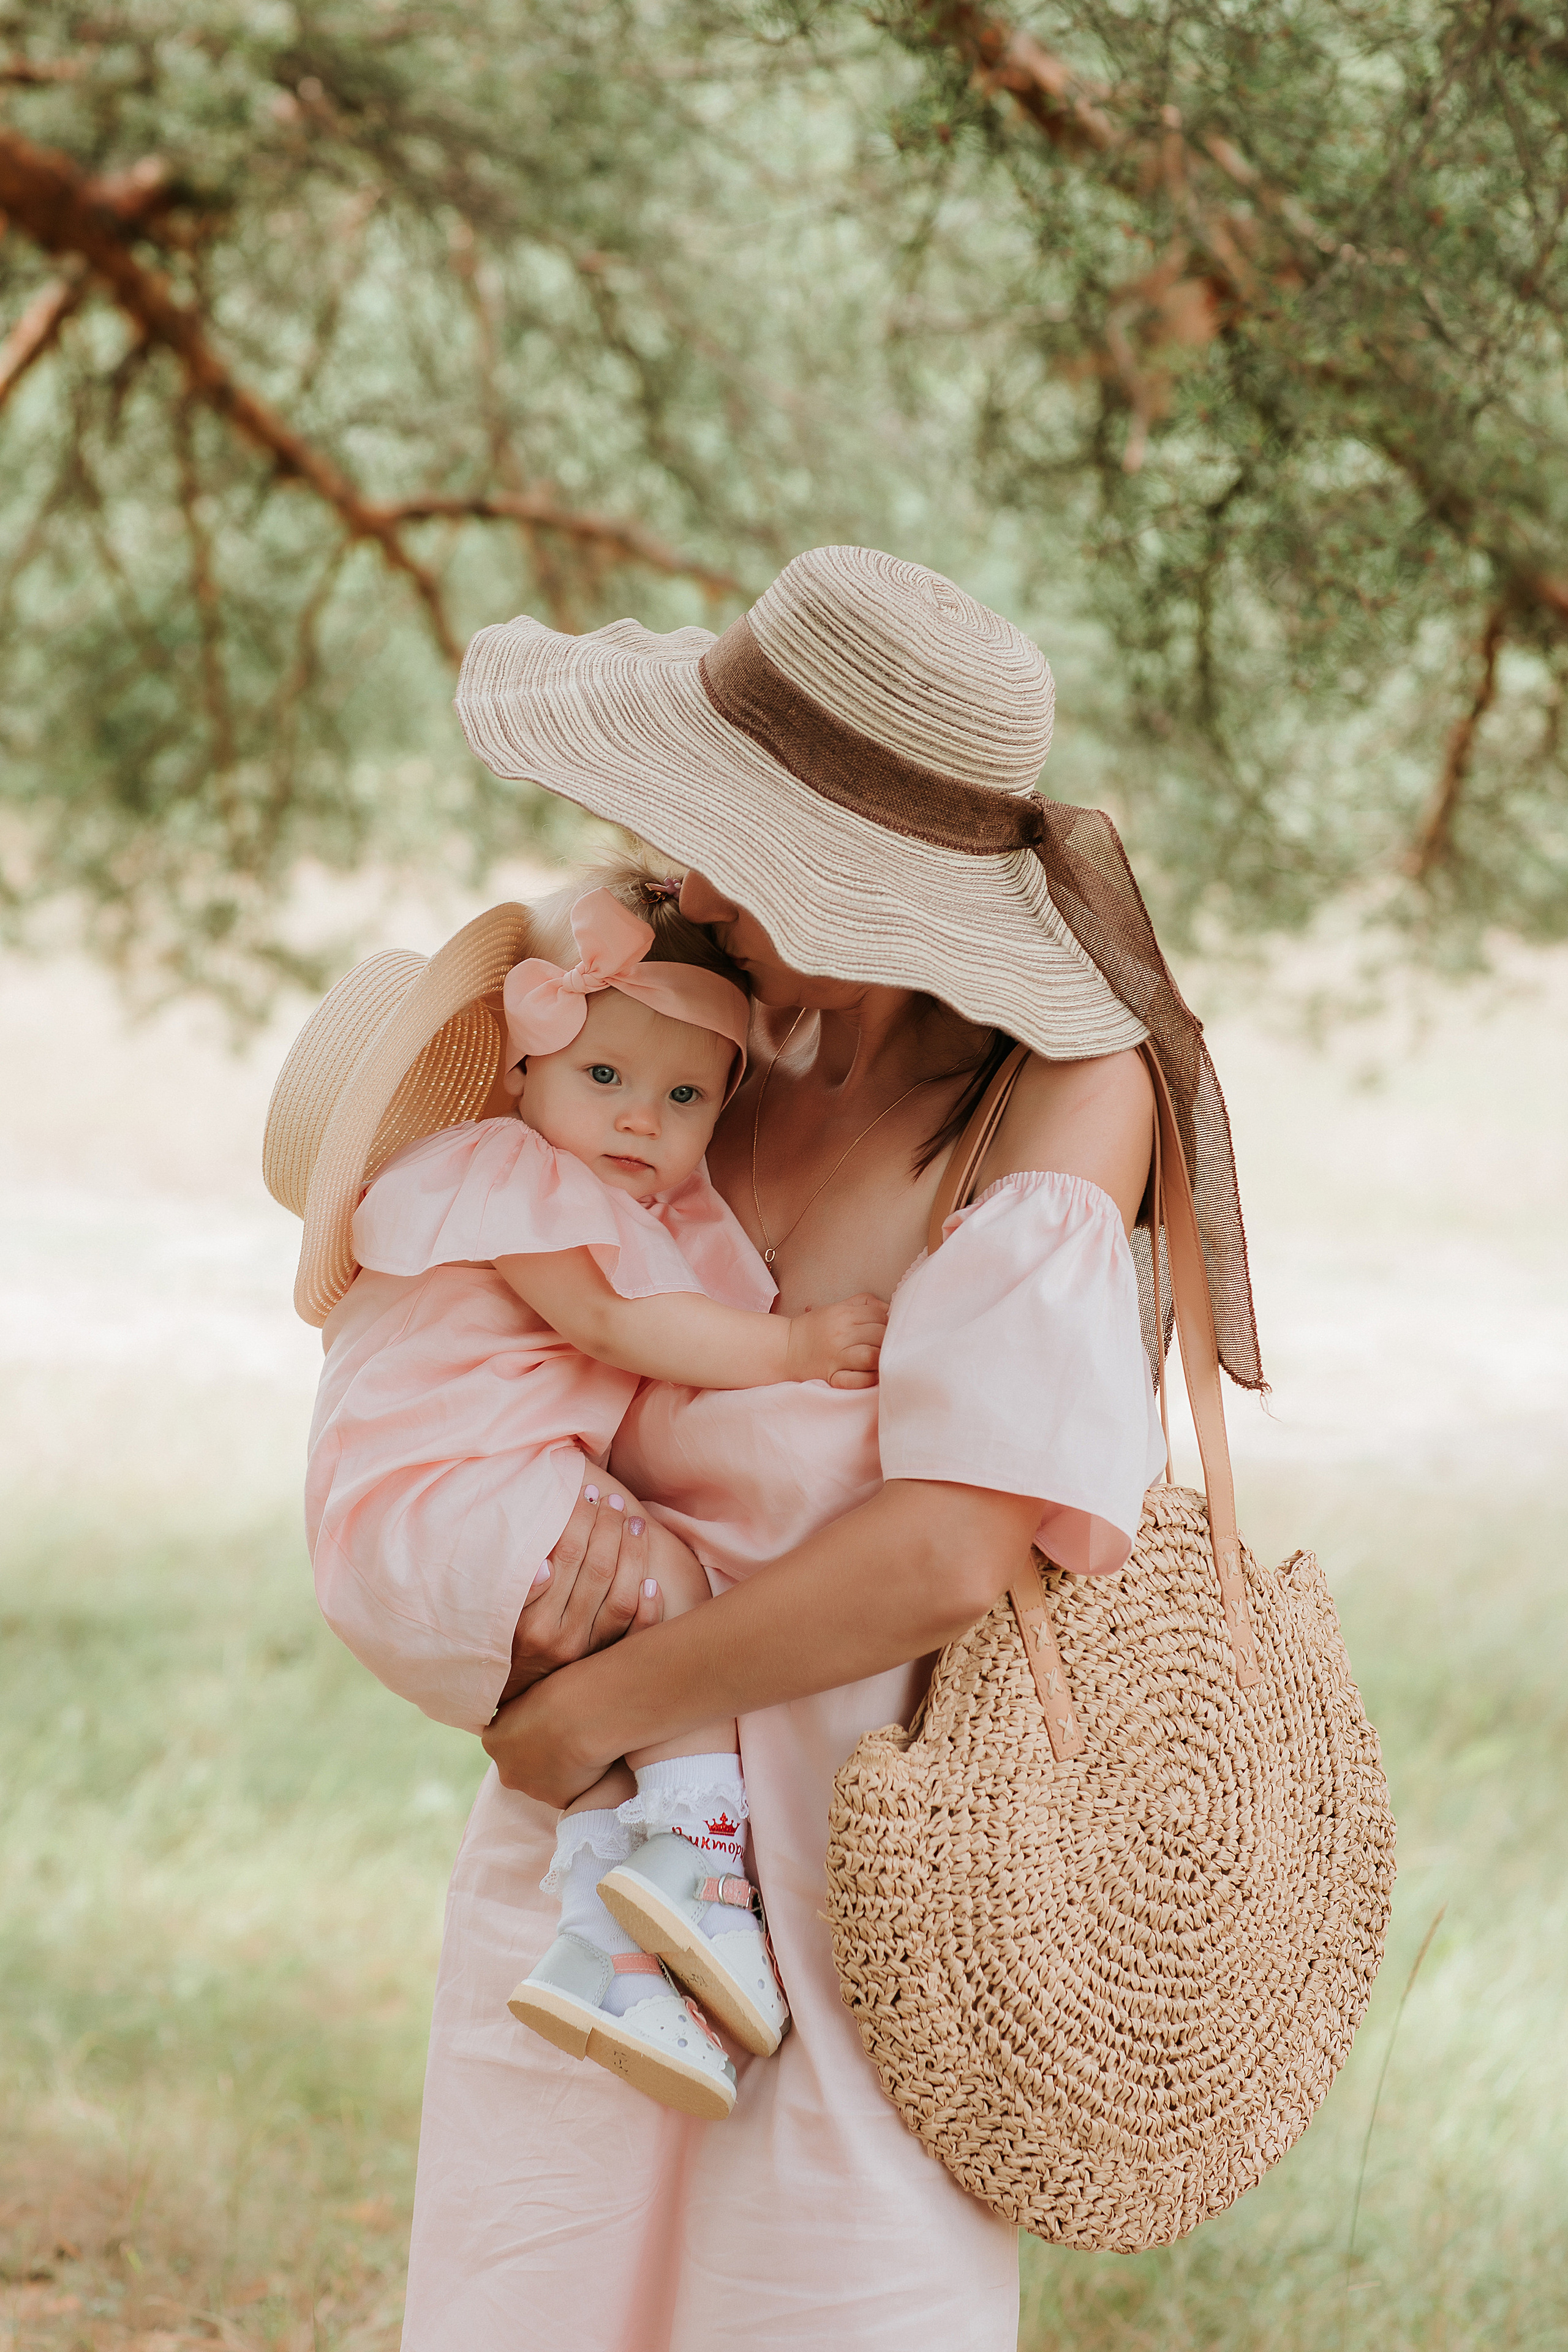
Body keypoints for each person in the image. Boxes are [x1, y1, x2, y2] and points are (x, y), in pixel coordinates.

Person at [293, 545, 1262, 2350]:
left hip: (858, 1881)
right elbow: (504, 1349)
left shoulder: (1058, 1096)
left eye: (735, 845)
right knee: (540, 2285)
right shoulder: (705, 1067)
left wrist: (599, 1702)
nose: (688, 882)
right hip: (607, 1869)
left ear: (868, 873)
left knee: (815, 2298)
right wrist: (503, 1610)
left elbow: (955, 1547)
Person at [266, 861, 889, 2122]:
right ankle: (705, 1870)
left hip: (408, 1551)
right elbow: (616, 1322)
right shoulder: (510, 1174)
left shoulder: (575, 1189)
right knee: (670, 1590)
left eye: (683, 1096)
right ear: (518, 1069)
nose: (640, 1122)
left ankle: (611, 1959)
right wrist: (792, 1348)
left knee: (604, 1725)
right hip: (454, 1507)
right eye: (602, 1075)